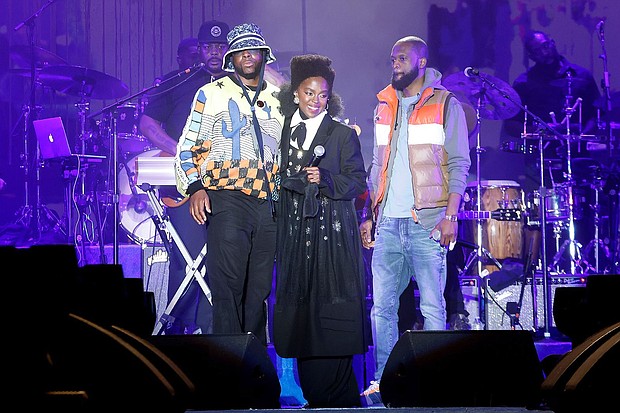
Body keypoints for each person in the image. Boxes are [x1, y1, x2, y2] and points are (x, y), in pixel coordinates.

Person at [359, 35, 471, 404]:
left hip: (428, 221)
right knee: (383, 308)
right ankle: (384, 380)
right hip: (388, 222)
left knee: (432, 306)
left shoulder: (445, 104)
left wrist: (451, 215)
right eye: (392, 58)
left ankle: (432, 380)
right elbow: (378, 165)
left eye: (402, 58)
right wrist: (368, 214)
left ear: (421, 62)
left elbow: (459, 163)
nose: (395, 64)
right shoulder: (384, 106)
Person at [174, 23, 284, 346]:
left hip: (268, 202)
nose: (248, 56)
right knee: (227, 287)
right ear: (231, 58)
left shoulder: (279, 98)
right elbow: (186, 147)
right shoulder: (211, 94)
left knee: (258, 291)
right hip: (226, 198)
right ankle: (228, 376)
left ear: (265, 56)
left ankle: (255, 373)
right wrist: (195, 187)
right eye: (241, 51)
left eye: (254, 50)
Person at [272, 54, 369, 408]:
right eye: (309, 93)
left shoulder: (342, 134)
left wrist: (326, 179)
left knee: (332, 316)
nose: (316, 100)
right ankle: (315, 398)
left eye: (323, 94)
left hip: (332, 239)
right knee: (300, 319)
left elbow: (358, 181)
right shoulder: (281, 133)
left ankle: (339, 402)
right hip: (295, 239)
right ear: (295, 93)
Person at [138, 20, 229, 334]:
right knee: (188, 255)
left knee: (225, 257)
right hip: (183, 186)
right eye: (209, 46)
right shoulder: (179, 82)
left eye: (221, 46)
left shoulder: (240, 84)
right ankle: (186, 329)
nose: (215, 52)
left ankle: (221, 328)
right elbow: (147, 123)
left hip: (229, 186)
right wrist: (179, 151)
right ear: (200, 50)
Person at [501, 30, 602, 194]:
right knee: (543, 205)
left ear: (553, 43)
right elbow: (511, 124)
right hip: (541, 158)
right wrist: (540, 131)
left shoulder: (582, 77)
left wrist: (580, 136)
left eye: (545, 46)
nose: (543, 52)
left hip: (580, 156)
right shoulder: (524, 82)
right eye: (537, 51)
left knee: (586, 202)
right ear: (531, 56)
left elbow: (596, 114)